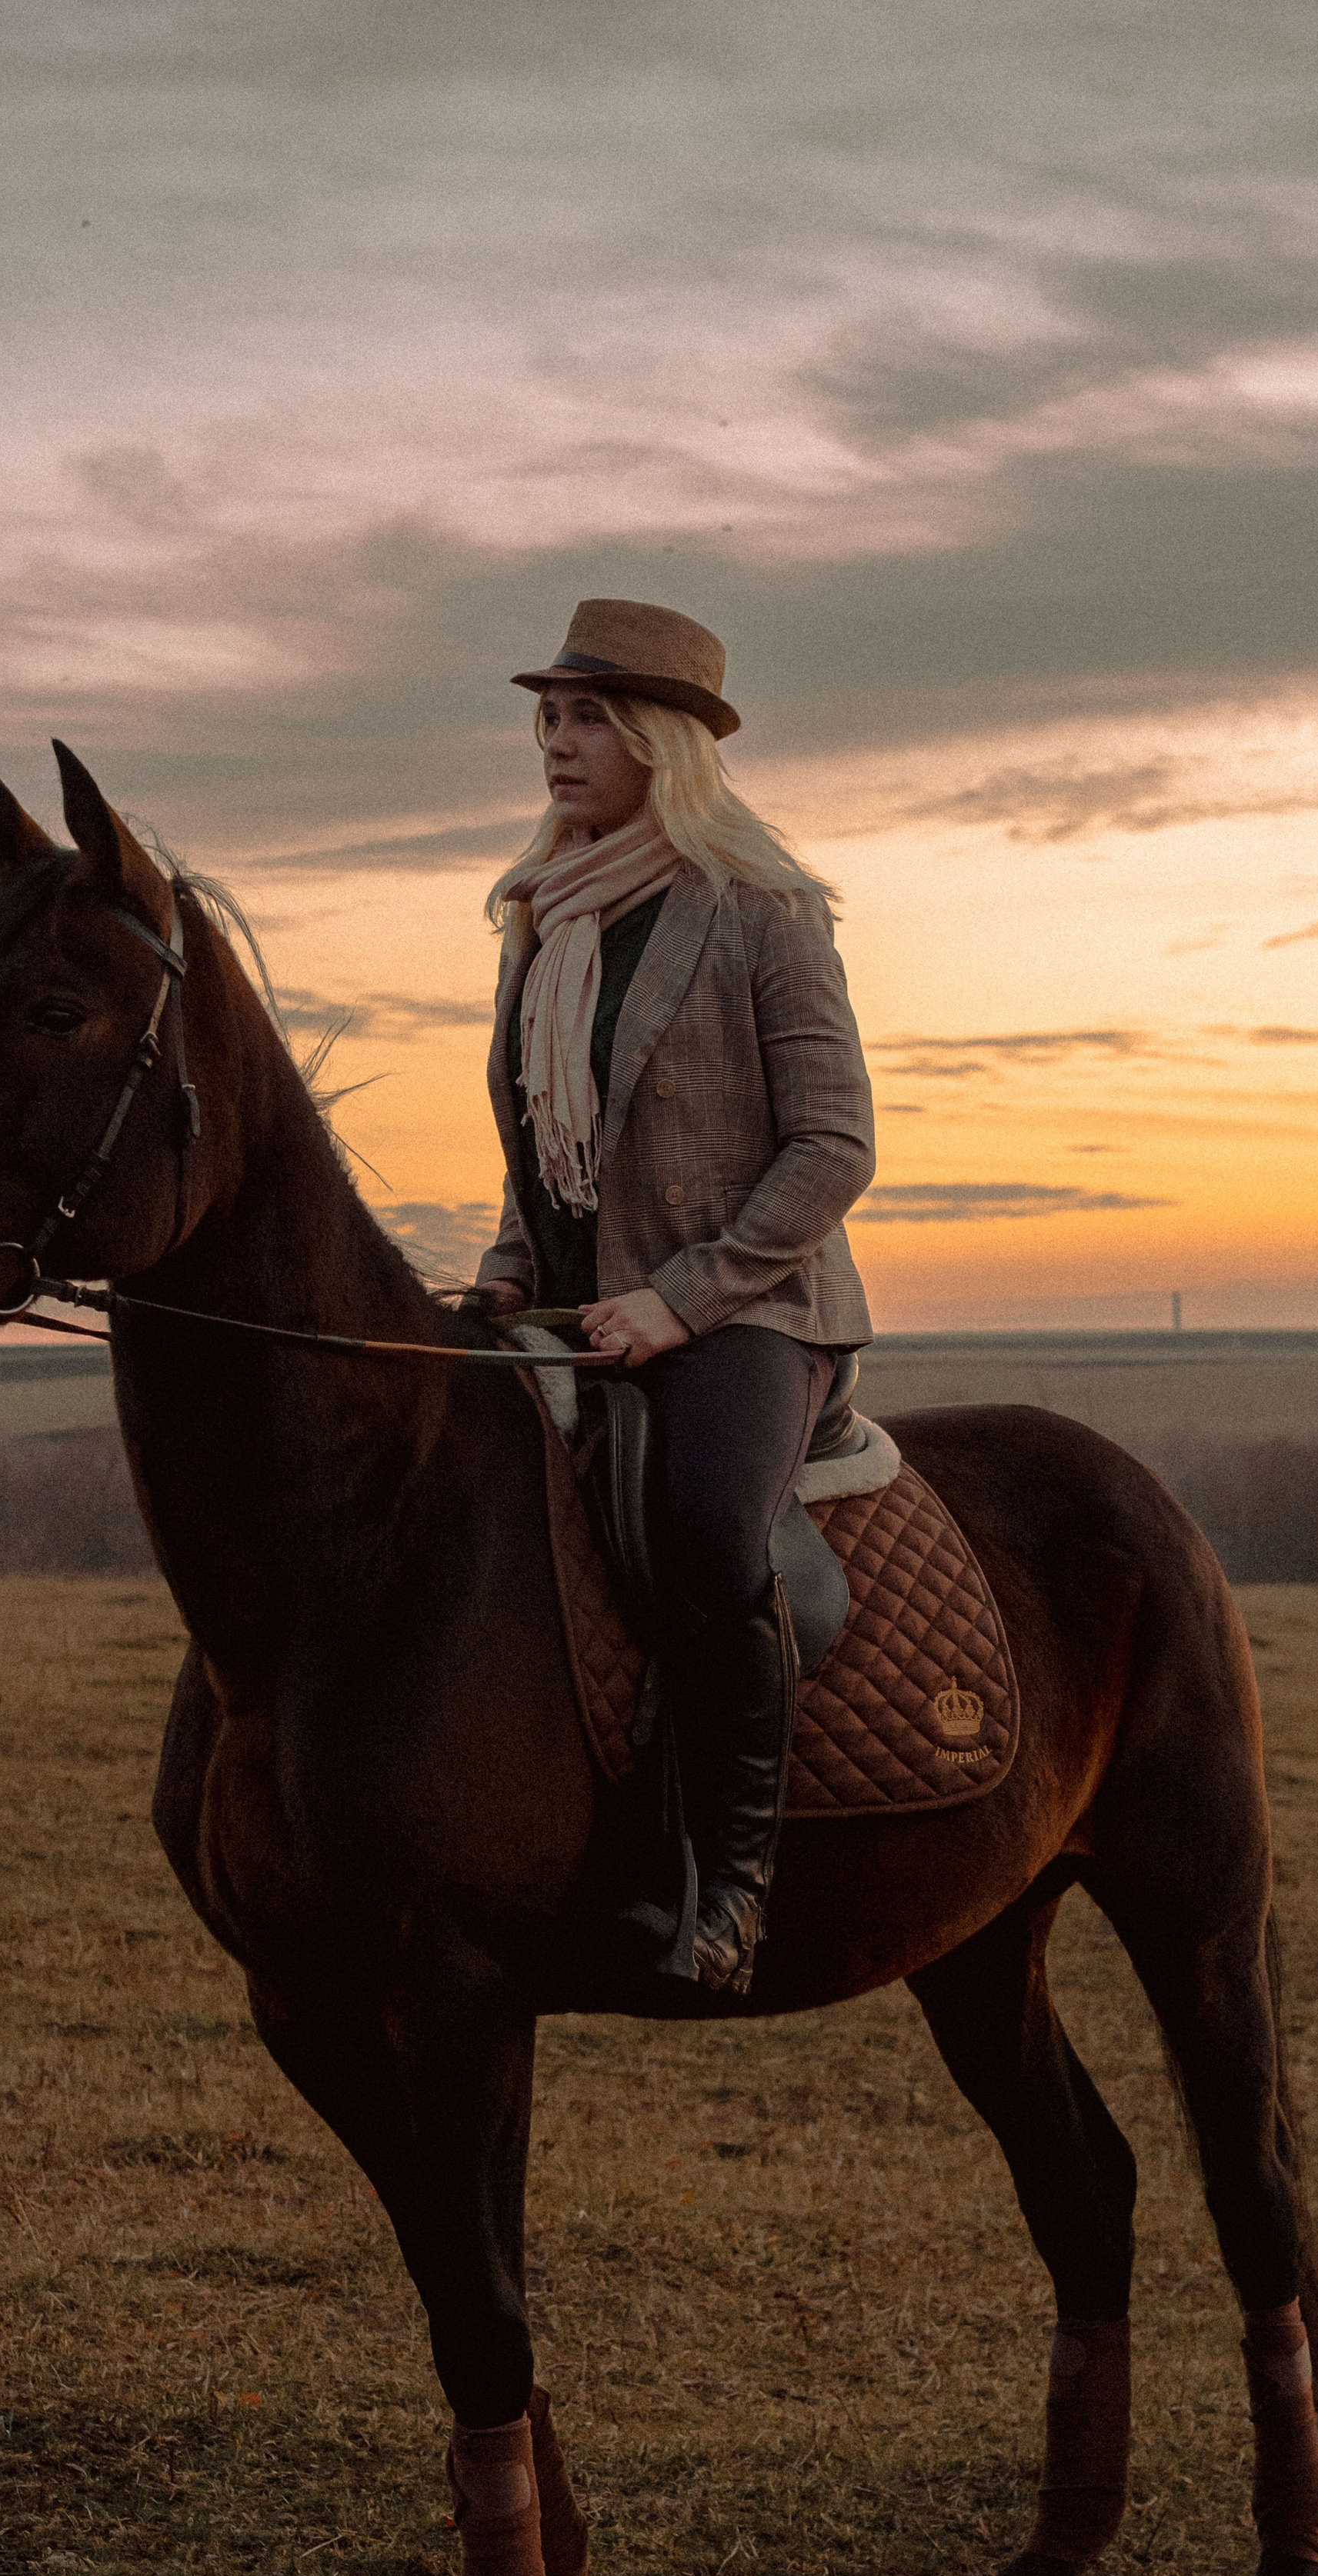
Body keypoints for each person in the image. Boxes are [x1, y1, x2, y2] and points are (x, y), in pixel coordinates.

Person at [473, 598, 875, 1992]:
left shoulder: (762, 912)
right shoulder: (543, 918)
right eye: (550, 715)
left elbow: (834, 1144)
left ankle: (736, 1888)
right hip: (578, 1306)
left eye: (589, 717)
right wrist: (510, 1272)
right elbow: (543, 1147)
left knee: (707, 1530)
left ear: (661, 741)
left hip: (749, 1311)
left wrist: (683, 1302)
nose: (559, 742)